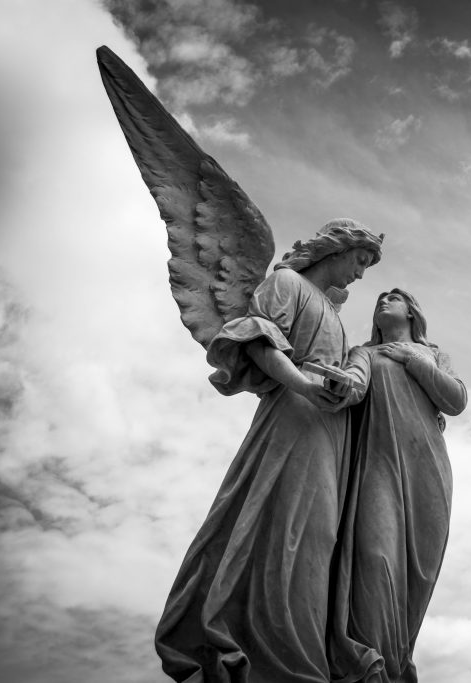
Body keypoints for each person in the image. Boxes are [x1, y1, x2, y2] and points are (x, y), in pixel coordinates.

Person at [155, 219, 384, 683]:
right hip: (294, 416)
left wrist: (343, 388)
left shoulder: (333, 311)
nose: (361, 273)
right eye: (360, 260)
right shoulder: (287, 284)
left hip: (329, 430)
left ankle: (302, 652)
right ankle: (272, 657)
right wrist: (304, 384)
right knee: (284, 527)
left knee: (318, 536)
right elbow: (260, 341)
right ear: (338, 249)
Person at [327, 289, 468, 683]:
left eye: (393, 297)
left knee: (418, 576)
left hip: (428, 470)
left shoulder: (432, 354)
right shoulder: (365, 353)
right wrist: (340, 384)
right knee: (375, 559)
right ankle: (371, 666)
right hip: (379, 467)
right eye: (380, 299)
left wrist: (412, 359)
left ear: (411, 311)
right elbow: (355, 383)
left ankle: (398, 661)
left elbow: (456, 400)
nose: (383, 301)